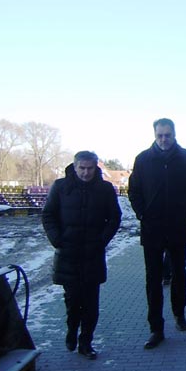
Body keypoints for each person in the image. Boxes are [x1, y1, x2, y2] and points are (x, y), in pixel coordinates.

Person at [128, 118, 186, 349]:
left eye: (167, 135)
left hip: (178, 226)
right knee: (153, 278)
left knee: (179, 273)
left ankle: (179, 314)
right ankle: (156, 327)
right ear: (154, 135)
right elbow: (134, 190)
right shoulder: (143, 159)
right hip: (152, 228)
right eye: (160, 135)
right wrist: (142, 214)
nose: (163, 139)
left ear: (174, 134)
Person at [42, 151, 122, 360]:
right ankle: (72, 329)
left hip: (93, 253)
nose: (86, 173)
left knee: (91, 303)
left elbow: (115, 218)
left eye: (90, 168)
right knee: (72, 300)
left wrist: (102, 239)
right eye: (82, 168)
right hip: (68, 252)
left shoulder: (104, 189)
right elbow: (48, 215)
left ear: (96, 168)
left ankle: (86, 342)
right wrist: (57, 239)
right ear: (75, 167)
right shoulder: (61, 187)